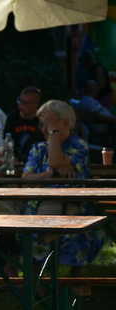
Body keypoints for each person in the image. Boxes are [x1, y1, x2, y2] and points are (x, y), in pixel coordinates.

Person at [23, 100, 104, 267]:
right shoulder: (38, 148)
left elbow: (54, 161)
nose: (43, 128)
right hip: (39, 203)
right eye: (42, 124)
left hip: (73, 203)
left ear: (66, 123)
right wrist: (48, 175)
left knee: (67, 220)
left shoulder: (78, 145)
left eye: (49, 123)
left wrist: (54, 136)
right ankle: (40, 281)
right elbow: (26, 178)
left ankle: (72, 279)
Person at [5, 86, 45, 163]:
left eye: (26, 103)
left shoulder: (42, 120)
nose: (21, 105)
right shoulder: (12, 118)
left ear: (36, 104)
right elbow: (7, 140)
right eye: (20, 101)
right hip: (14, 160)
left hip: (36, 160)